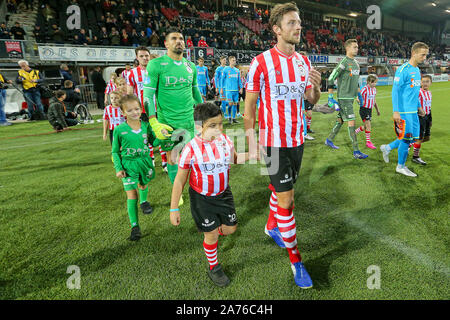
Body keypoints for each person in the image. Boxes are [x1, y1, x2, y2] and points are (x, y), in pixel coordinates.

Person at [244, 2, 321, 289]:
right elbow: (249, 108)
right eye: (291, 23)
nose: (298, 26)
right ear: (277, 29)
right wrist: (251, 141)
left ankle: (270, 226)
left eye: (299, 22)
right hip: (273, 143)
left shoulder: (304, 62)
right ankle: (296, 261)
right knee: (287, 200)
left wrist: (317, 87)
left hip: (297, 140)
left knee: (282, 191)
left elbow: (311, 101)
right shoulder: (261, 62)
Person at [170, 102, 248, 287]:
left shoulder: (225, 141)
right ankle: (214, 266)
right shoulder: (190, 149)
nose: (219, 129)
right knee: (211, 235)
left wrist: (254, 154)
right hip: (201, 199)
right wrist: (173, 208)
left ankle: (211, 229)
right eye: (212, 126)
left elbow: (235, 159)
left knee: (230, 229)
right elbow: (180, 180)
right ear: (199, 127)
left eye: (221, 123)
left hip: (224, 194)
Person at [143, 28, 203, 204]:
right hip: (167, 122)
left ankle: (195, 187)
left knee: (193, 155)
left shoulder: (190, 66)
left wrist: (204, 112)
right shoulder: (155, 65)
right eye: (174, 38)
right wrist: (153, 122)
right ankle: (178, 191)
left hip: (190, 120)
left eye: (181, 38)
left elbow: (195, 91)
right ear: (166, 44)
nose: (179, 41)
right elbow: (147, 96)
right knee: (173, 157)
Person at [112, 95, 157, 241]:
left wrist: (163, 137)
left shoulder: (145, 126)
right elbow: (115, 151)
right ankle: (135, 226)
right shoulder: (119, 130)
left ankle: (144, 203)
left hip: (144, 162)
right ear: (123, 113)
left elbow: (154, 143)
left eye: (137, 109)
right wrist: (119, 168)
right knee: (132, 195)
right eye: (130, 110)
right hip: (129, 165)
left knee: (143, 185)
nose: (134, 112)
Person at [380, 42, 429, 177]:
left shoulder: (417, 70)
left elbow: (415, 91)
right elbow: (395, 91)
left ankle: (387, 148)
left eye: (426, 55)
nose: (425, 57)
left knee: (410, 139)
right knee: (407, 139)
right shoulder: (403, 70)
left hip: (413, 111)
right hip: (403, 112)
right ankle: (400, 166)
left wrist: (419, 106)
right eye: (423, 54)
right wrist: (396, 111)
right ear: (414, 53)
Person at [325, 39, 368, 159]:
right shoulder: (343, 62)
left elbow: (356, 82)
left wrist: (358, 96)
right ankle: (356, 151)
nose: (357, 49)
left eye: (357, 47)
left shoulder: (356, 63)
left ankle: (329, 140)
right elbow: (331, 78)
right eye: (354, 47)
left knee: (341, 120)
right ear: (347, 48)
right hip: (343, 97)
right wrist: (330, 96)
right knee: (352, 122)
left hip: (350, 98)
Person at [127, 47, 168, 172]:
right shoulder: (132, 73)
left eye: (146, 55)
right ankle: (151, 160)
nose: (145, 58)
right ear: (137, 58)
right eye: (141, 56)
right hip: (142, 111)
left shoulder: (157, 70)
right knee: (146, 136)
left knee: (161, 134)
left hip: (158, 109)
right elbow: (130, 94)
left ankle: (165, 162)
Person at [354, 74, 380, 149]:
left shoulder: (374, 89)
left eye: (375, 82)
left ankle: (355, 132)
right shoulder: (365, 89)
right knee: (368, 125)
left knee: (366, 127)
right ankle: (368, 142)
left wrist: (377, 110)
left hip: (369, 110)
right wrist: (358, 100)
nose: (374, 84)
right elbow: (358, 97)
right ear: (368, 81)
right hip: (364, 109)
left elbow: (374, 100)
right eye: (373, 82)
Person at [412, 74, 433, 165]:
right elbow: (413, 102)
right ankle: (415, 157)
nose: (425, 83)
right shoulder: (419, 92)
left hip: (427, 116)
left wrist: (430, 119)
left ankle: (412, 144)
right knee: (419, 138)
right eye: (423, 82)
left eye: (427, 82)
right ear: (420, 83)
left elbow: (429, 106)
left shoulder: (429, 93)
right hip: (420, 117)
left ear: (431, 83)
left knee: (427, 138)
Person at [221, 56, 243, 124]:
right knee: (230, 104)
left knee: (235, 104)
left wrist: (241, 88)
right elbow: (222, 79)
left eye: (235, 60)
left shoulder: (237, 70)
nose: (234, 61)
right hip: (228, 90)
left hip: (236, 90)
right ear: (229, 61)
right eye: (233, 60)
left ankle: (233, 118)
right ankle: (229, 117)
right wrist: (221, 88)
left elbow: (239, 80)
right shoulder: (226, 69)